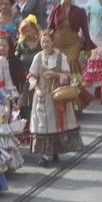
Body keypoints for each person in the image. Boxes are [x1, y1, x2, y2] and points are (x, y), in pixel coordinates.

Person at [27, 31, 84, 166]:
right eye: (43, 42)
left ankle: (52, 153)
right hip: (43, 96)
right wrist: (37, 89)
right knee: (44, 125)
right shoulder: (38, 57)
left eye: (47, 41)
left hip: (58, 95)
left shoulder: (61, 57)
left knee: (56, 124)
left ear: (53, 42)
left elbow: (67, 75)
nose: (45, 44)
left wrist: (55, 74)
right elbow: (32, 76)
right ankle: (48, 153)